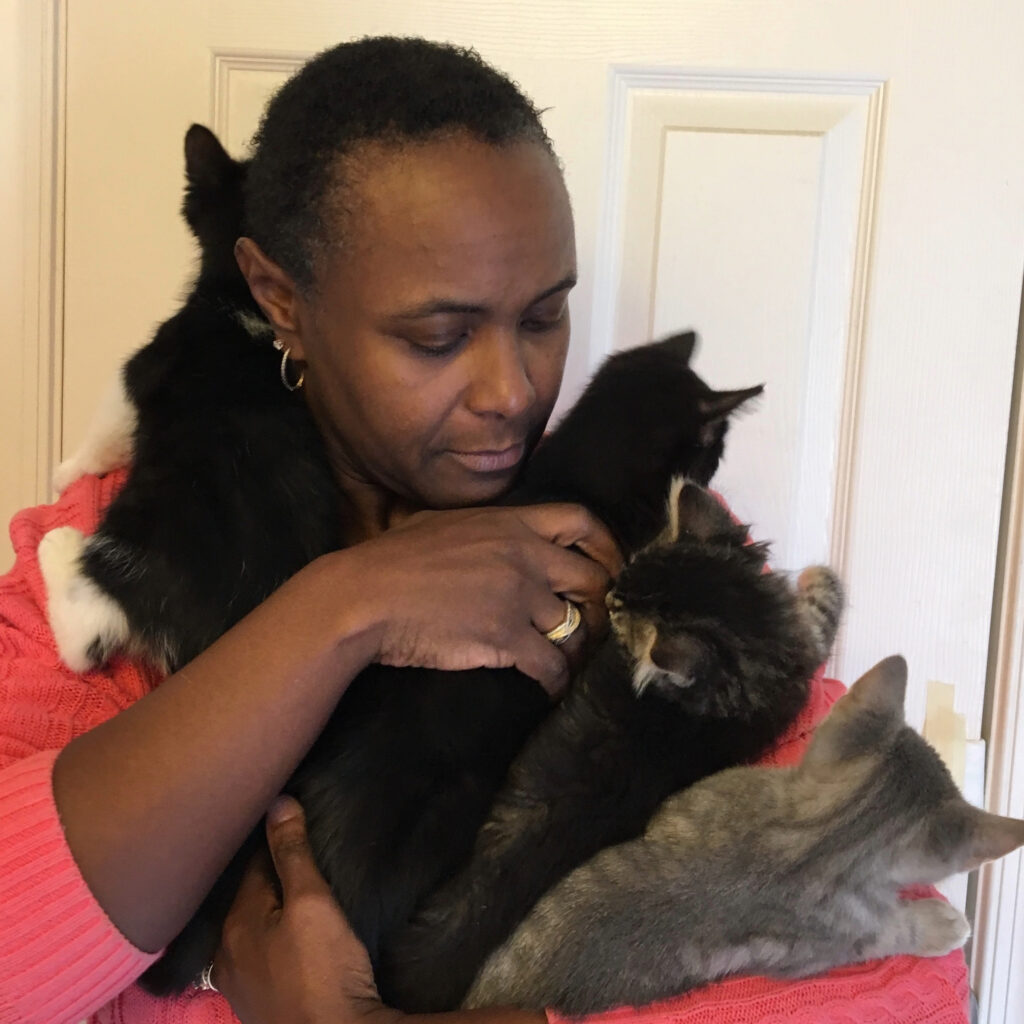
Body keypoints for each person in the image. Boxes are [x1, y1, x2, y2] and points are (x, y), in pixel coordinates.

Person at [0, 37, 968, 1024]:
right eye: (438, 336)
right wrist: (343, 607)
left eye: (545, 317)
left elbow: (903, 988)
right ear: (280, 298)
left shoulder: (652, 573)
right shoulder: (116, 545)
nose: (514, 393)